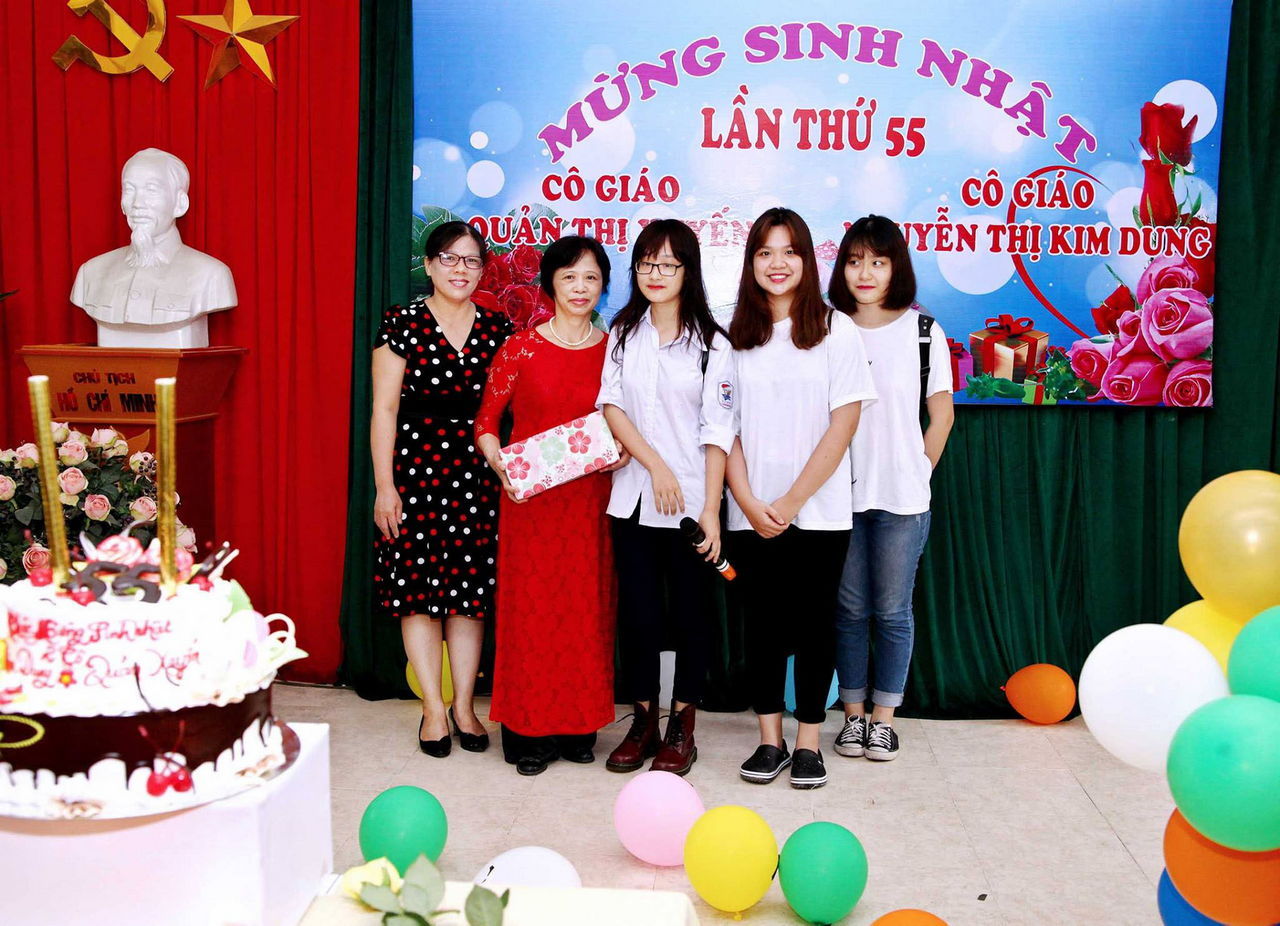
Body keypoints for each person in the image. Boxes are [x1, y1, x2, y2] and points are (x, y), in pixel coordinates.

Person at [723, 208, 877, 790]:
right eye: (765, 252)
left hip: (820, 512)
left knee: (815, 626)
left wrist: (790, 501)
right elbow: (724, 428)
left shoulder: (838, 331)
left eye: (790, 251)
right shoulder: (734, 335)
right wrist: (747, 499)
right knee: (761, 627)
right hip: (750, 512)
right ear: (751, 262)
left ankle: (809, 741)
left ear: (809, 260)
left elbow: (844, 423)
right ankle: (770, 741)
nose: (777, 263)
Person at [475, 235, 627, 776]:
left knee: (585, 612)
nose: (580, 287)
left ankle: (579, 725)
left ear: (603, 286)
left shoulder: (616, 352)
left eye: (590, 278)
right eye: (569, 277)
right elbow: (486, 422)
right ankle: (527, 730)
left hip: (590, 505)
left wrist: (623, 451)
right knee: (531, 615)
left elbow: (631, 423)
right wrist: (499, 463)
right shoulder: (520, 348)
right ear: (550, 285)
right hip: (530, 506)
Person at [597, 220, 734, 777]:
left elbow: (719, 431)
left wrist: (711, 512)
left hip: (691, 509)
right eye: (646, 263)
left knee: (692, 617)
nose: (655, 274)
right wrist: (654, 465)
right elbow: (611, 406)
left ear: (688, 271)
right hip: (632, 499)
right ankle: (642, 722)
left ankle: (683, 726)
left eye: (668, 264)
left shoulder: (713, 344)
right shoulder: (623, 332)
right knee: (640, 618)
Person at [371, 220, 512, 758]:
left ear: (482, 270)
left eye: (471, 260)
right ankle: (433, 708)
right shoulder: (402, 324)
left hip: (476, 477)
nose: (460, 269)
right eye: (449, 258)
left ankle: (465, 707)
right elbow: (384, 410)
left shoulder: (498, 329)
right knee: (417, 596)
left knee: (468, 599)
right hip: (413, 476)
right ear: (428, 265)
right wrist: (384, 487)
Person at [827, 214, 954, 762]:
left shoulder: (923, 331)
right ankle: (853, 716)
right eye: (855, 261)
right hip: (837, 496)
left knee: (893, 610)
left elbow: (942, 415)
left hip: (902, 497)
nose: (866, 273)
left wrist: (918, 471)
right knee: (850, 611)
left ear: (896, 268)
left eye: (878, 261)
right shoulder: (828, 328)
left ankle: (884, 720)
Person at [70, 147, 236, 348]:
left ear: (180, 204)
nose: (137, 203)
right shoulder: (91, 273)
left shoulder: (211, 275)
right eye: (129, 190)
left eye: (151, 190)